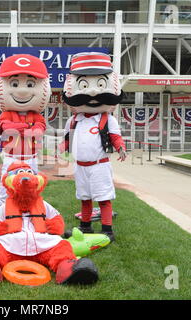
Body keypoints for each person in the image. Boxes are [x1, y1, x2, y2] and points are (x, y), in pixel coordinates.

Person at [0, 161, 99, 285]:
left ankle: (69, 269)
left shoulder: (43, 205)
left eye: (29, 173)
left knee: (62, 245)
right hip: (12, 242)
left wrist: (53, 227)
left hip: (42, 242)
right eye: (20, 173)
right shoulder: (5, 206)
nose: (26, 177)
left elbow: (57, 220)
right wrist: (1, 229)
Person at [60, 52, 127, 242]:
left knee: (104, 197)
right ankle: (86, 226)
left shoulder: (107, 119)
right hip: (80, 165)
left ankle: (107, 230)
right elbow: (68, 138)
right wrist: (62, 147)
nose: (91, 94)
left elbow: (115, 136)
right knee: (84, 197)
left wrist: (121, 147)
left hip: (99, 165)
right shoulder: (75, 119)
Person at [0, 54, 52, 208]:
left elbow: (39, 130)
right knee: (6, 184)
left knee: (32, 185)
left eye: (30, 84)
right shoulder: (6, 114)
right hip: (12, 157)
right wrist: (25, 128)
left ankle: (29, 210)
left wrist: (29, 130)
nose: (23, 91)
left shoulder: (36, 115)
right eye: (15, 83)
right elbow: (7, 128)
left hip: (31, 157)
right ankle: (1, 212)